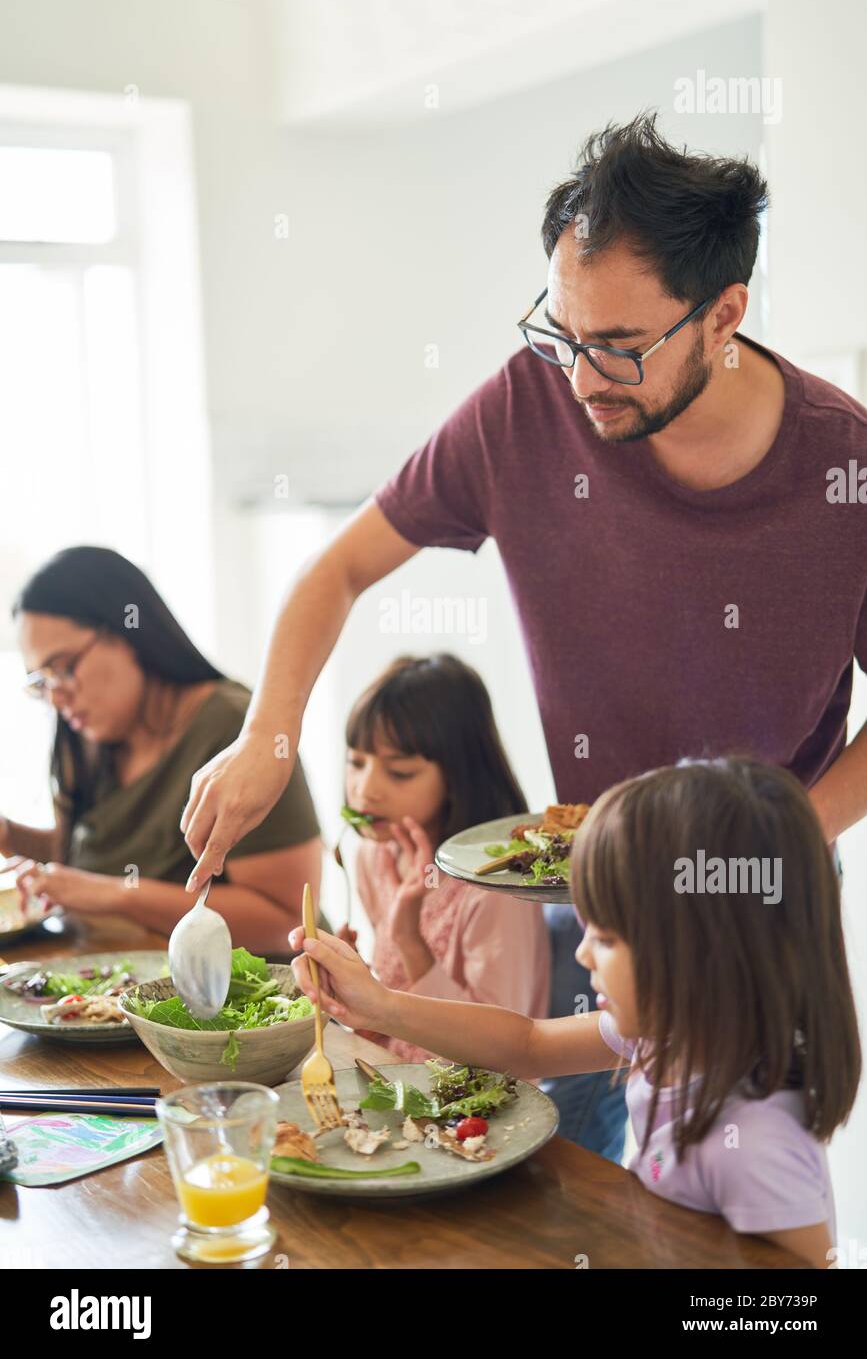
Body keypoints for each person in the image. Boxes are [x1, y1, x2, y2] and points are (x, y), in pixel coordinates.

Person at [180, 112, 867, 1162]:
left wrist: (778, 839)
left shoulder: (844, 472)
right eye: (563, 330)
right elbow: (341, 567)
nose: (583, 376)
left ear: (726, 313)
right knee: (591, 1166)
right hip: (594, 893)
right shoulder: (526, 408)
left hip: (757, 916)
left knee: (740, 1205)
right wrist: (269, 734)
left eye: (622, 347)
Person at [288, 757, 861, 1271]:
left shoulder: (755, 1145)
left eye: (608, 938)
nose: (583, 952)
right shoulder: (673, 1034)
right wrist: (380, 1003)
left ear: (700, 954)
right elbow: (529, 1044)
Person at [1, 546, 321, 951]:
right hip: (115, 983)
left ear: (128, 632)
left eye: (64, 667)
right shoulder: (86, 736)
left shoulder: (234, 731)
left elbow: (284, 921)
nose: (57, 698)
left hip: (246, 1000)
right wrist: (8, 835)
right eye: (41, 682)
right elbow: (86, 856)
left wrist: (118, 894)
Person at [336, 654, 549, 1062]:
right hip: (398, 1081)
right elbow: (389, 1024)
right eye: (356, 763)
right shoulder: (372, 856)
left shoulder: (495, 889)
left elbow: (500, 1055)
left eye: (399, 772)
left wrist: (408, 942)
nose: (365, 790)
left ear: (457, 775)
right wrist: (354, 991)